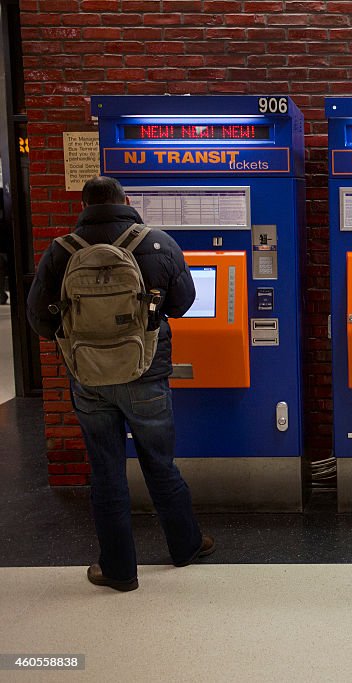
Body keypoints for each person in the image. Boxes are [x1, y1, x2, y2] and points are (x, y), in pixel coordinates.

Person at [27, 176, 214, 592]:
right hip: (145, 371)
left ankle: (118, 569)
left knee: (106, 471)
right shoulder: (158, 242)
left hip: (89, 377)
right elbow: (183, 305)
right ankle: (185, 546)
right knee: (160, 464)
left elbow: (39, 320)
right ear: (126, 201)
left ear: (84, 205)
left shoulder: (61, 252)